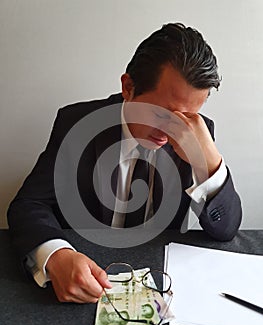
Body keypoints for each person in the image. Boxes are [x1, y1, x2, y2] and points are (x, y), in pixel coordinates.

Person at [8, 23, 242, 304]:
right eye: (161, 114)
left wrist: (210, 162)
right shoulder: (76, 124)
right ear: (128, 87)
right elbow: (28, 204)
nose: (172, 131)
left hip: (160, 281)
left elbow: (225, 230)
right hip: (84, 278)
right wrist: (57, 255)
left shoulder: (198, 134)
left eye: (187, 117)